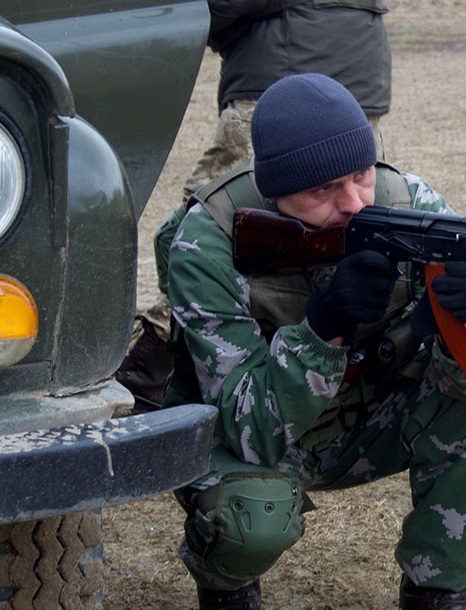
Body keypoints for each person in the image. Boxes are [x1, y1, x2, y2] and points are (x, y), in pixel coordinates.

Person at [158, 73, 466, 610]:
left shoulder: (408, 203)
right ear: (275, 192)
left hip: (364, 420)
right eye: (325, 188)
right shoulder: (209, 240)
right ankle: (226, 580)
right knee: (254, 510)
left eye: (358, 175)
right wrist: (320, 331)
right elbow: (243, 427)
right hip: (257, 437)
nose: (354, 202)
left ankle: (436, 593)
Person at [116, 0, 392, 413]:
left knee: (207, 223)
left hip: (278, 68)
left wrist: (202, 19)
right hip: (355, 66)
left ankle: (155, 377)